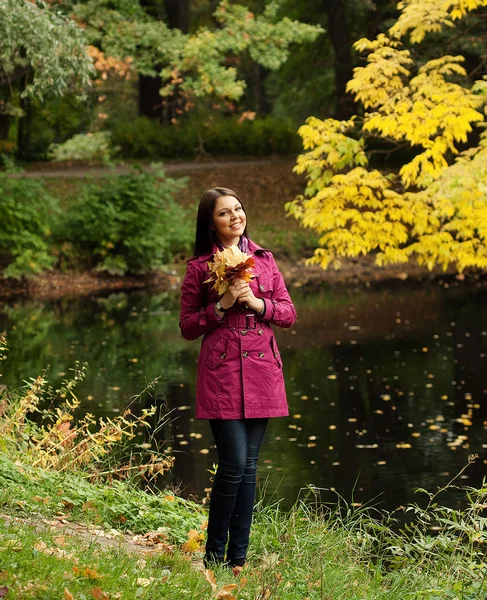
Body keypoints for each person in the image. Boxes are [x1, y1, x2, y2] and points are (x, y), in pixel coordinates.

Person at [179, 187, 296, 571]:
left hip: (262, 369)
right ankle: (213, 556)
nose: (235, 216)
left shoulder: (264, 259)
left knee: (249, 465)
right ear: (210, 223)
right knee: (233, 463)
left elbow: (288, 313)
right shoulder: (199, 267)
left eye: (238, 209)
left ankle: (238, 559)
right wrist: (222, 305)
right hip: (222, 371)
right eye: (224, 213)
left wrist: (257, 304)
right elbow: (187, 326)